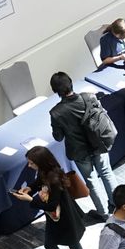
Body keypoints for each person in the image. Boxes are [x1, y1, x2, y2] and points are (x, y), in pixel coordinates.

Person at [11, 145, 87, 249]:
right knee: (49, 244)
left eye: (32, 163)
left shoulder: (55, 178)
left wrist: (30, 199)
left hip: (65, 217)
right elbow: (39, 182)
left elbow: (52, 205)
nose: (29, 166)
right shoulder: (44, 171)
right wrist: (30, 188)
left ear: (42, 162)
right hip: (53, 217)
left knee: (73, 244)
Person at [48, 71, 117, 220]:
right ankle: (118, 204)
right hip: (99, 143)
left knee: (92, 181)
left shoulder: (56, 113)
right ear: (71, 82)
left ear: (55, 90)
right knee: (106, 173)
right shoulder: (89, 97)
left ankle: (103, 213)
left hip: (79, 151)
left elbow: (58, 137)